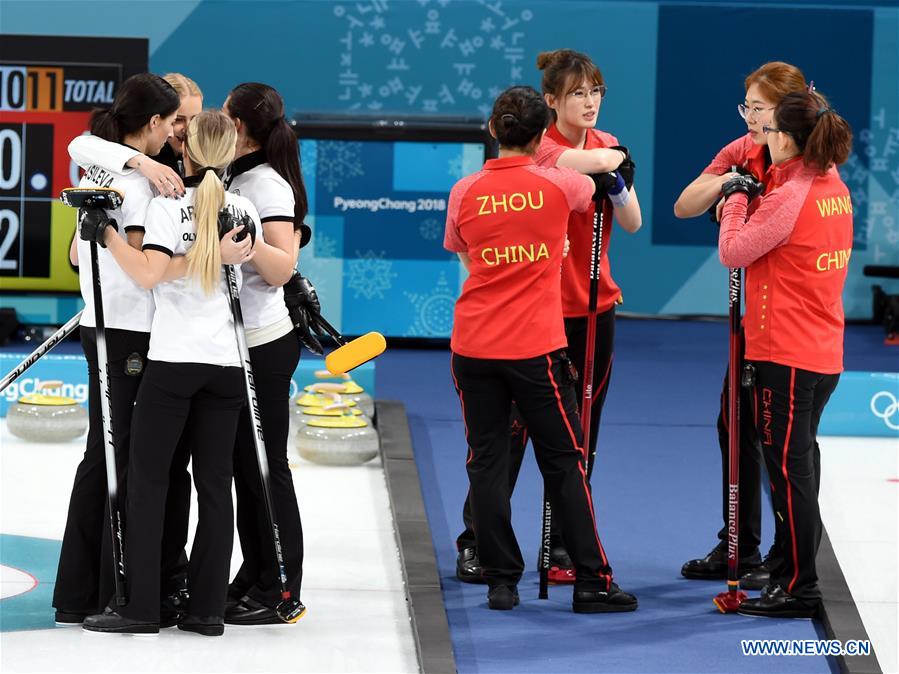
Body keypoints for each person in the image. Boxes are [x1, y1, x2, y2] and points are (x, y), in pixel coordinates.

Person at [445, 85, 638, 613]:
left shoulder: (464, 190)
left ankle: (500, 580)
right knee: (565, 459)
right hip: (535, 349)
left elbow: (462, 250)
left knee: (486, 460)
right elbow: (601, 185)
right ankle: (592, 581)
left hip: (474, 344)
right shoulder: (561, 185)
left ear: (493, 130)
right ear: (540, 135)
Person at [82, 110, 260, 635]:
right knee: (214, 486)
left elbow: (145, 275)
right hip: (226, 364)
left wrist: (109, 235)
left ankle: (141, 608)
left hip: (174, 363)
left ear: (184, 151)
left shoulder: (168, 207)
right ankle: (207, 611)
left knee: (149, 481)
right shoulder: (243, 207)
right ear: (230, 154)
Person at [714, 90, 853, 618]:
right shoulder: (832, 181)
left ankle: (798, 586)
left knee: (789, 474)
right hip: (820, 350)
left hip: (786, 354)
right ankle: (789, 569)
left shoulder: (790, 195)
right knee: (801, 468)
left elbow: (734, 250)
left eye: (768, 130)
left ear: (788, 138)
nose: (761, 138)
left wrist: (733, 199)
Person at [673, 62, 809, 590]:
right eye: (746, 106)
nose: (750, 117)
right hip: (757, 319)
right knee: (735, 425)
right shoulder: (743, 148)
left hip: (789, 323)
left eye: (760, 109)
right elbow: (686, 205)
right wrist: (730, 185)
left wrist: (744, 212)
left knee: (782, 444)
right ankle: (739, 542)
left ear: (789, 111)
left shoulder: (806, 164)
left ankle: (785, 554)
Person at [53, 73, 180, 625]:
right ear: (152, 122)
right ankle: (96, 591)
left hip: (115, 328)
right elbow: (128, 262)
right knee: (112, 458)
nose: (176, 135)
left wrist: (140, 162)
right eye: (172, 123)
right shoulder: (136, 182)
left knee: (108, 455)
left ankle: (85, 590)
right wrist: (145, 168)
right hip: (125, 331)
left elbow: (82, 144)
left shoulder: (107, 163)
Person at [221, 82, 311, 625]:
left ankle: (282, 588)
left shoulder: (267, 185)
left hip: (263, 343)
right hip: (235, 345)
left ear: (241, 127)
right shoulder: (236, 175)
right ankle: (255, 574)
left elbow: (281, 267)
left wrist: (247, 243)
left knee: (264, 467)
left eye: (225, 115)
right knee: (241, 468)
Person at [68, 72, 202, 197]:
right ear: (155, 119)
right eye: (177, 120)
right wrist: (141, 161)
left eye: (195, 119)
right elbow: (78, 145)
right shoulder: (141, 155)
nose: (189, 128)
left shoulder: (204, 150)